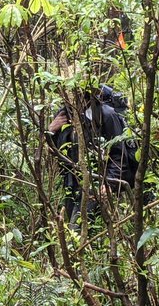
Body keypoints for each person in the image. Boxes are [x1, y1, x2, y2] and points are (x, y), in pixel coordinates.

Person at [46, 84, 131, 219]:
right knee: (71, 227)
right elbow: (54, 151)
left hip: (97, 182)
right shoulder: (63, 115)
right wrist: (50, 131)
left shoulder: (106, 115)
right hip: (71, 184)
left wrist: (109, 184)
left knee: (78, 227)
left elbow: (118, 154)